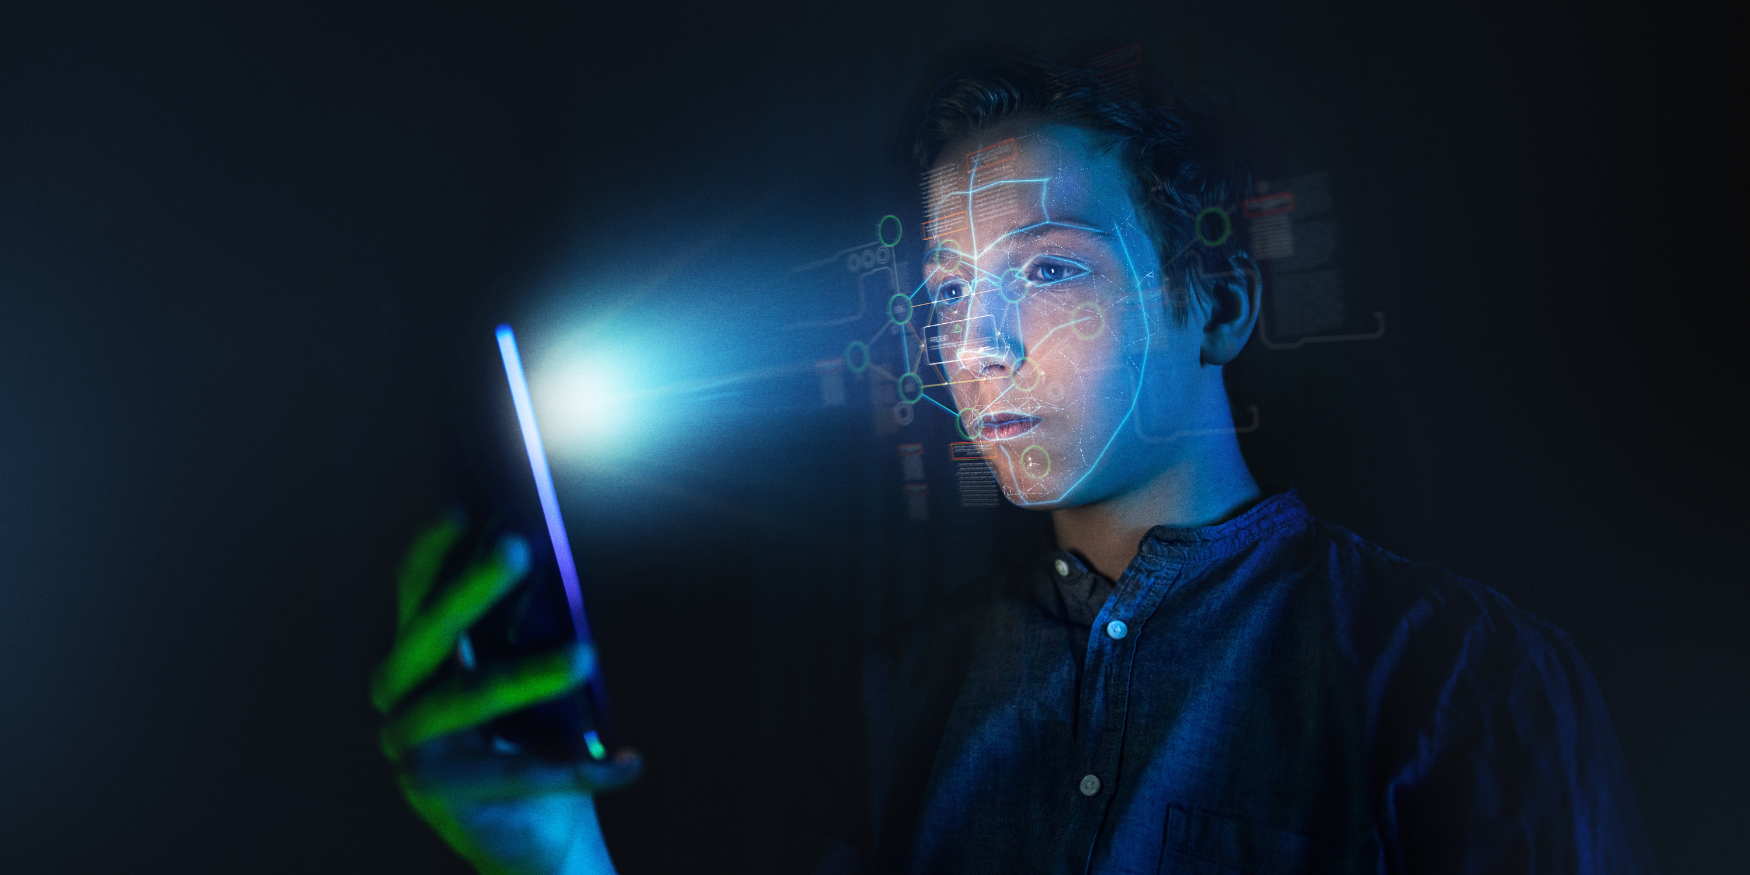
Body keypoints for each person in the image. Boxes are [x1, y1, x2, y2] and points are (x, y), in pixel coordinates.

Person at [371, 53, 1658, 874]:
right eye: (945, 291)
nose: (973, 343)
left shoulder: (1463, 678)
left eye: (1046, 268)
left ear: (1211, 303)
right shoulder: (894, 696)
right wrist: (548, 850)